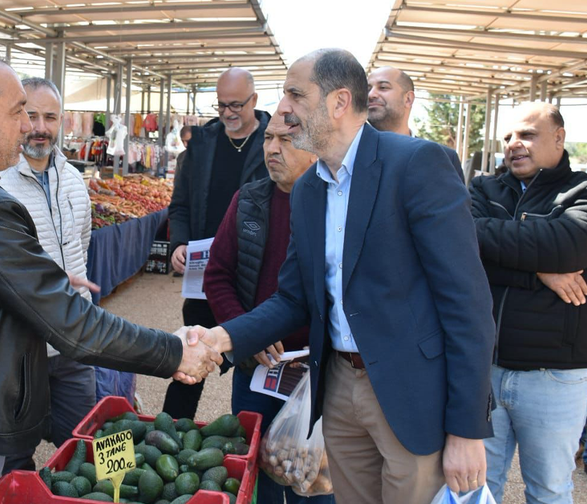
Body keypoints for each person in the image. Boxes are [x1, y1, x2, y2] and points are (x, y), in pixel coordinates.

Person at [0, 50, 221, 504]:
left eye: (45, 116)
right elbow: (69, 320)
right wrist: (173, 352)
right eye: (18, 113)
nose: (30, 127)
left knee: (101, 441)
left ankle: (114, 489)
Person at [190, 48, 496, 504]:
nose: (283, 108)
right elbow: (292, 298)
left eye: (295, 94)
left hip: (408, 394)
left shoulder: (417, 164)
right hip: (337, 388)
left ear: (338, 102)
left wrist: (468, 428)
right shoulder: (309, 189)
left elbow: (467, 303)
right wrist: (221, 339)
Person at [203, 114, 329, 504]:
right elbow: (217, 276)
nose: (272, 149)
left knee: (318, 481)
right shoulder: (249, 201)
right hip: (258, 371)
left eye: (286, 141)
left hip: (319, 376)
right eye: (268, 138)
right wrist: (247, 333)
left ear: (316, 149)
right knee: (259, 473)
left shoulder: (337, 206)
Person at [469, 102, 587, 503]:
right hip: (485, 369)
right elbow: (461, 246)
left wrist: (495, 244)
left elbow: (571, 245)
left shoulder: (582, 190)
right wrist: (539, 271)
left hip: (553, 375)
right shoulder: (484, 189)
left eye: (527, 135)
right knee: (475, 488)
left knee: (550, 491)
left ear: (559, 137)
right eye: (507, 137)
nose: (514, 145)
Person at [0, 78, 97, 473]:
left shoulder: (73, 181)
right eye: (32, 115)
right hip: (17, 351)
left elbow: (82, 248)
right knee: (12, 459)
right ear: (18, 118)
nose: (40, 127)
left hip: (72, 343)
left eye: (50, 117)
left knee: (85, 449)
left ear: (61, 123)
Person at [165, 67, 270, 419]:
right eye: (221, 104)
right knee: (190, 358)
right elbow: (179, 204)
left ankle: (253, 441)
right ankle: (172, 433)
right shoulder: (202, 144)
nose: (227, 112)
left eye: (236, 105)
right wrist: (179, 242)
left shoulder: (275, 140)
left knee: (255, 359)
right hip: (204, 274)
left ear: (254, 100)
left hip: (254, 274)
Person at [367, 66, 464, 182]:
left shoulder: (444, 159)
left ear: (408, 99)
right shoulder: (348, 154)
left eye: (383, 87)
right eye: (367, 89)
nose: (371, 95)